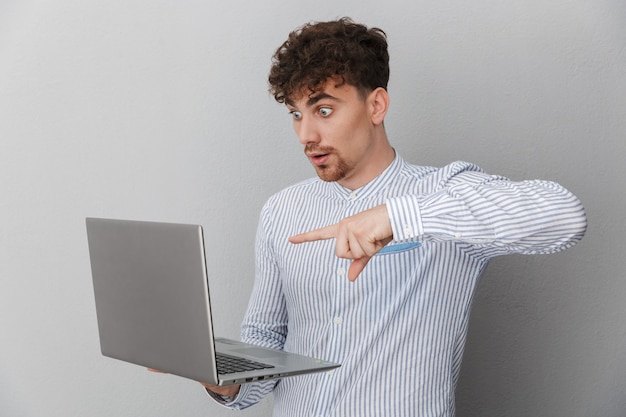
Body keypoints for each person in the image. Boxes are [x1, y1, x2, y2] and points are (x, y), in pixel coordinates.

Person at [202, 17, 587, 416]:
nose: (306, 135)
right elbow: (265, 340)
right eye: (297, 114)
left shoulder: (442, 192)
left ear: (376, 105)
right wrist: (227, 383)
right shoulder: (282, 210)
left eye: (324, 109)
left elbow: (565, 216)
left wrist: (400, 216)